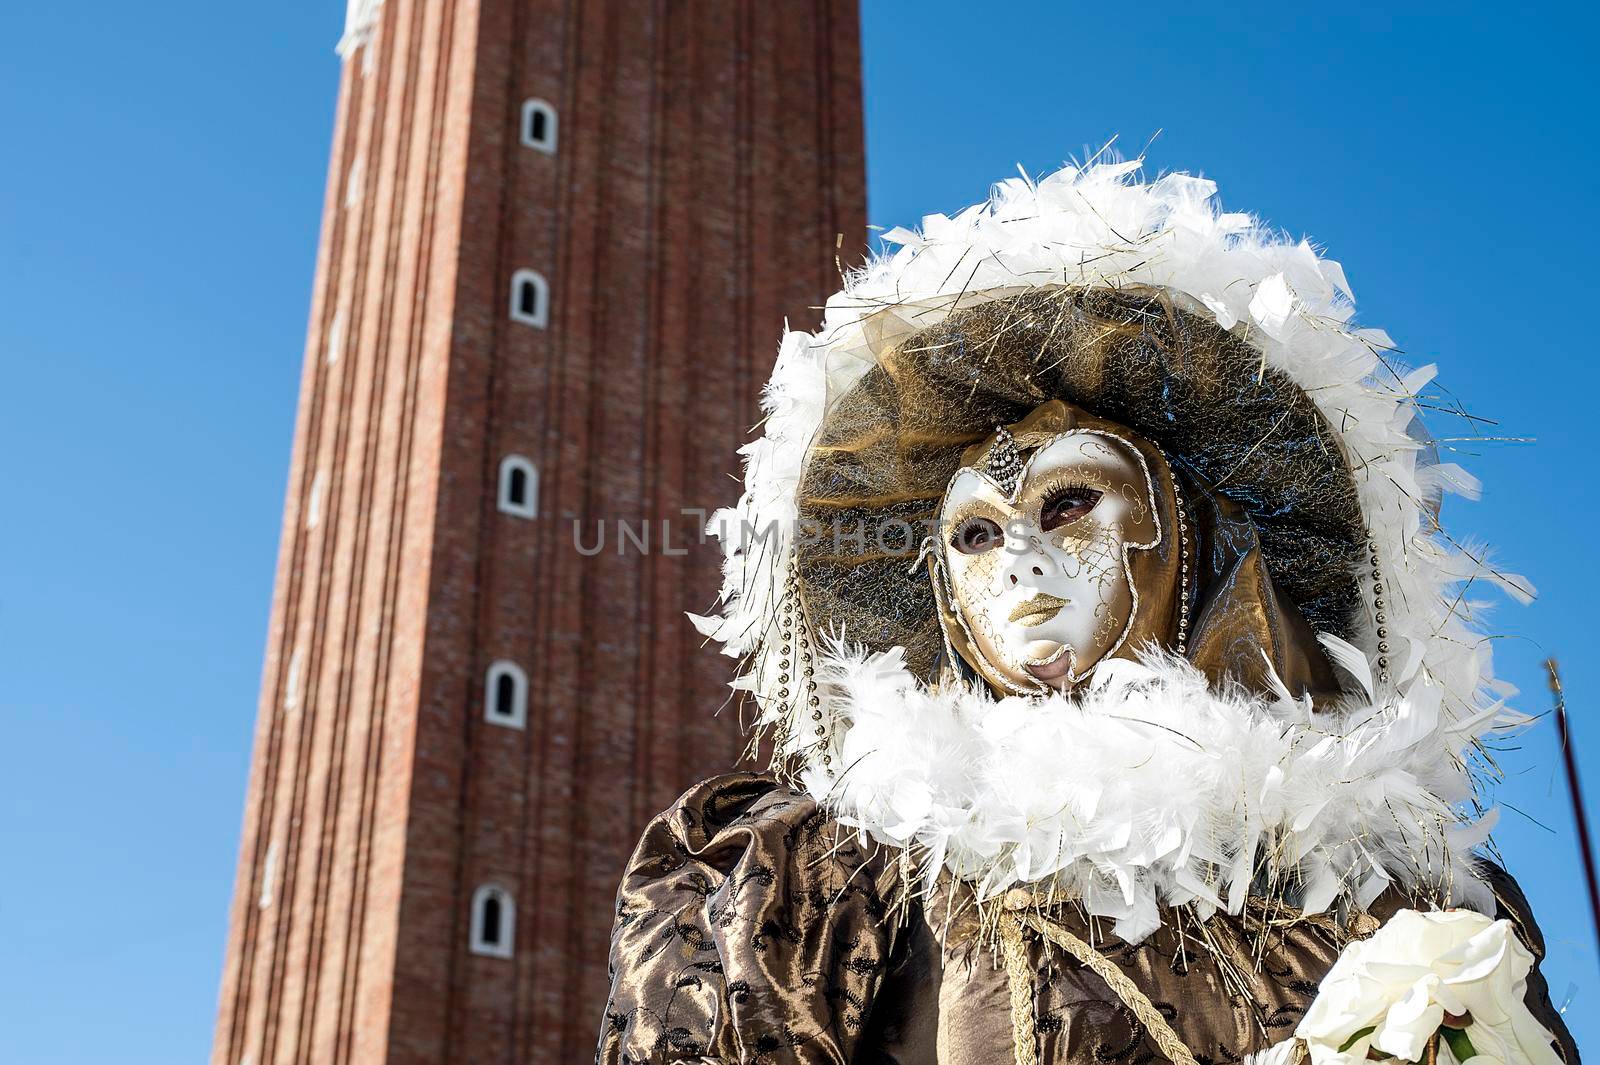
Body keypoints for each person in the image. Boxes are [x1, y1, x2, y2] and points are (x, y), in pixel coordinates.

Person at [595, 161, 1578, 1065]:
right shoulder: (820, 881)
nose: (1019, 558)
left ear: (1189, 542)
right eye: (975, 537)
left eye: (1067, 509)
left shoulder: (1411, 899)